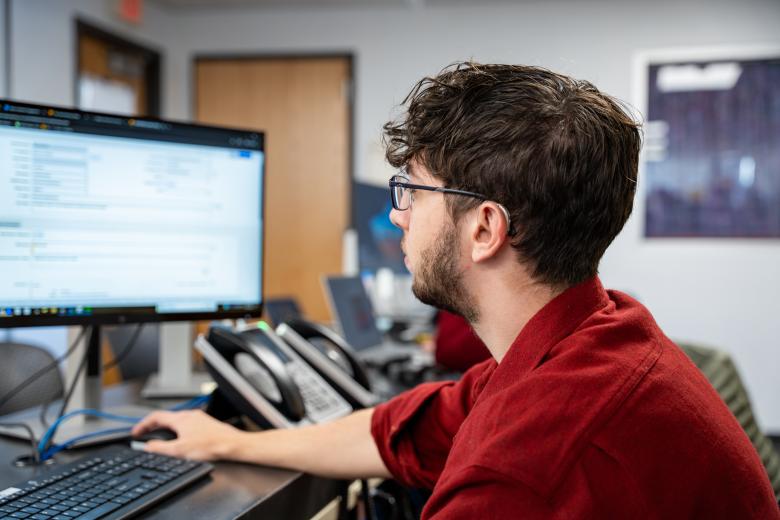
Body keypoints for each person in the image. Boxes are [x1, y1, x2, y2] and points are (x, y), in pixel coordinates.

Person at [133, 62, 779, 518]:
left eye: (412, 191)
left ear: (484, 228)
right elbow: (395, 435)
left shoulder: (527, 474)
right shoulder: (589, 332)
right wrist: (225, 441)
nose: (397, 214)